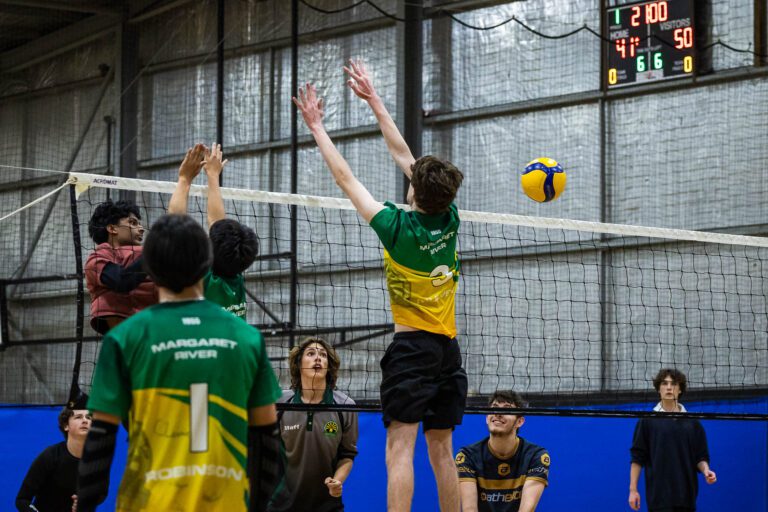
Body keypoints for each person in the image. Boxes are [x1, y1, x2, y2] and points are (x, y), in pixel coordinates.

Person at [293, 58, 466, 512]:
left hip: (412, 352)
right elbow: (405, 156)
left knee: (399, 450)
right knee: (443, 451)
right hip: (449, 350)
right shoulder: (449, 215)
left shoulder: (396, 227)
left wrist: (316, 126)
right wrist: (374, 101)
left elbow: (346, 178)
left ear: (414, 191)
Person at [76, 214, 282, 512]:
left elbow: (99, 443)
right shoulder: (247, 338)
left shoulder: (123, 339)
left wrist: (85, 506)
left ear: (151, 270)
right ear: (205, 263)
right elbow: (267, 440)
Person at [168, 142, 259, 319]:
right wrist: (212, 176)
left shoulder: (203, 279)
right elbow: (217, 225)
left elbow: (175, 227)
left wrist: (184, 179)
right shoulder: (235, 277)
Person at [268, 337, 359, 512]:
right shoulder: (279, 402)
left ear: (329, 365)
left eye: (323, 355)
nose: (318, 358)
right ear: (299, 364)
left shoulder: (346, 405)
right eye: (311, 353)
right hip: (281, 504)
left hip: (327, 504)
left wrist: (337, 481)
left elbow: (347, 455)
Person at [629, 368, 717, 512]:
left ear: (680, 389)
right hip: (659, 499)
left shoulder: (693, 423)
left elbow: (700, 457)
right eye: (664, 383)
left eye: (674, 384)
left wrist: (706, 470)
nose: (669, 387)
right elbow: (637, 458)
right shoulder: (647, 421)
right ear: (658, 389)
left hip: (686, 499)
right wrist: (633, 490)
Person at [455, 391, 549, 512]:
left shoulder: (536, 456)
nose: (498, 413)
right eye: (494, 408)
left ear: (519, 422)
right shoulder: (467, 456)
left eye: (507, 409)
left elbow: (527, 509)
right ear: (487, 418)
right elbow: (469, 509)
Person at [84, 199, 157, 334]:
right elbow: (121, 281)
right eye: (132, 223)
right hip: (126, 327)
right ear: (112, 228)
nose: (141, 229)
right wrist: (154, 251)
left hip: (154, 324)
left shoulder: (142, 255)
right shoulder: (96, 259)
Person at [16, 397, 92, 512]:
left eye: (88, 417)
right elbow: (22, 500)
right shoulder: (50, 456)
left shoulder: (96, 461)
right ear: (66, 426)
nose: (85, 420)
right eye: (78, 417)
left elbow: (101, 493)